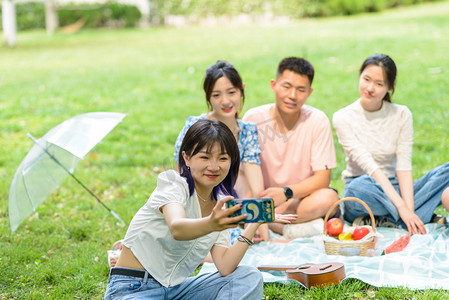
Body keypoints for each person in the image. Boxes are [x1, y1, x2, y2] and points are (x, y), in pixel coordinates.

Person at [104, 119, 295, 299]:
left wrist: (254, 223)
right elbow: (177, 227)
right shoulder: (173, 184)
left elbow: (225, 265)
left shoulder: (221, 202)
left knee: (248, 276)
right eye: (204, 157)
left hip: (176, 290)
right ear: (186, 158)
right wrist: (212, 223)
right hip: (134, 287)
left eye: (223, 158)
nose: (213, 166)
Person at [332, 53, 449, 235]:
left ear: (390, 87)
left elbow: (404, 165)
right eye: (366, 79)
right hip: (365, 192)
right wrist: (402, 208)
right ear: (359, 76)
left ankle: (392, 220)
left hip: (396, 189)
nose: (370, 88)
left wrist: (408, 209)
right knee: (358, 188)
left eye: (379, 84)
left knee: (446, 171)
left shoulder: (401, 114)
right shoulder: (342, 117)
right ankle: (418, 214)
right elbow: (369, 166)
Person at [243, 57, 340, 238]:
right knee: (239, 199)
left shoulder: (317, 121)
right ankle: (283, 226)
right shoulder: (253, 119)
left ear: (309, 92)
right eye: (286, 87)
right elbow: (244, 174)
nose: (292, 95)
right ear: (274, 85)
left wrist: (286, 193)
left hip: (296, 200)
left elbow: (322, 179)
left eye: (301, 89)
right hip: (261, 198)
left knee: (329, 198)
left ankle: (271, 224)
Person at [174, 60, 268, 242]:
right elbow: (181, 176)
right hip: (194, 200)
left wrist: (259, 218)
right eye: (216, 95)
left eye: (231, 92)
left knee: (248, 240)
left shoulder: (247, 130)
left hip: (229, 203)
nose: (225, 101)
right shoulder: (194, 126)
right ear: (207, 96)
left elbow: (255, 181)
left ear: (242, 89)